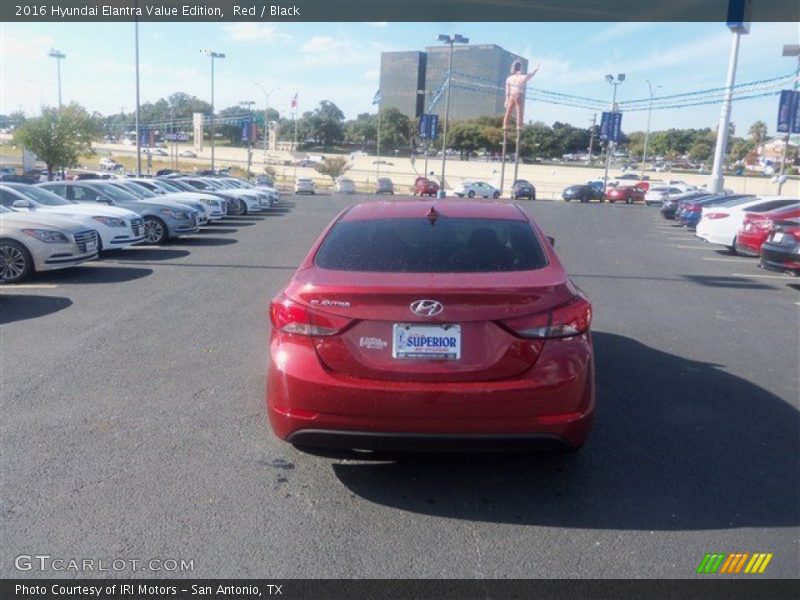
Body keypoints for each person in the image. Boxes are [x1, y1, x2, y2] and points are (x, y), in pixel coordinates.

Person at [503, 60, 540, 131]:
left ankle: (505, 127)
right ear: (520, 68)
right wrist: (536, 68)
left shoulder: (509, 78)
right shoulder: (521, 77)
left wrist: (506, 100)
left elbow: (507, 91)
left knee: (508, 112)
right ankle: (519, 129)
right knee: (519, 113)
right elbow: (530, 75)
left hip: (511, 96)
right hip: (519, 95)